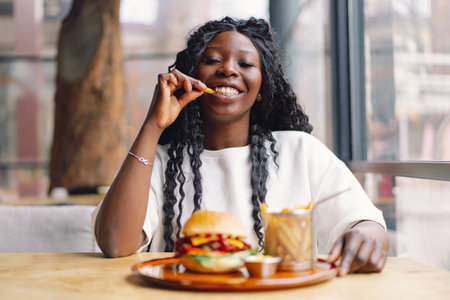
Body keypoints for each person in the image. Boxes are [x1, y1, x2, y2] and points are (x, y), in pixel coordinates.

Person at [93, 17, 389, 276]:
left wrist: (365, 235)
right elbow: (115, 241)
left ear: (263, 86)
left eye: (245, 63)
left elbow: (367, 223)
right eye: (211, 60)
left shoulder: (300, 151)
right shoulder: (160, 161)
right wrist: (153, 126)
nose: (228, 70)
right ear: (191, 76)